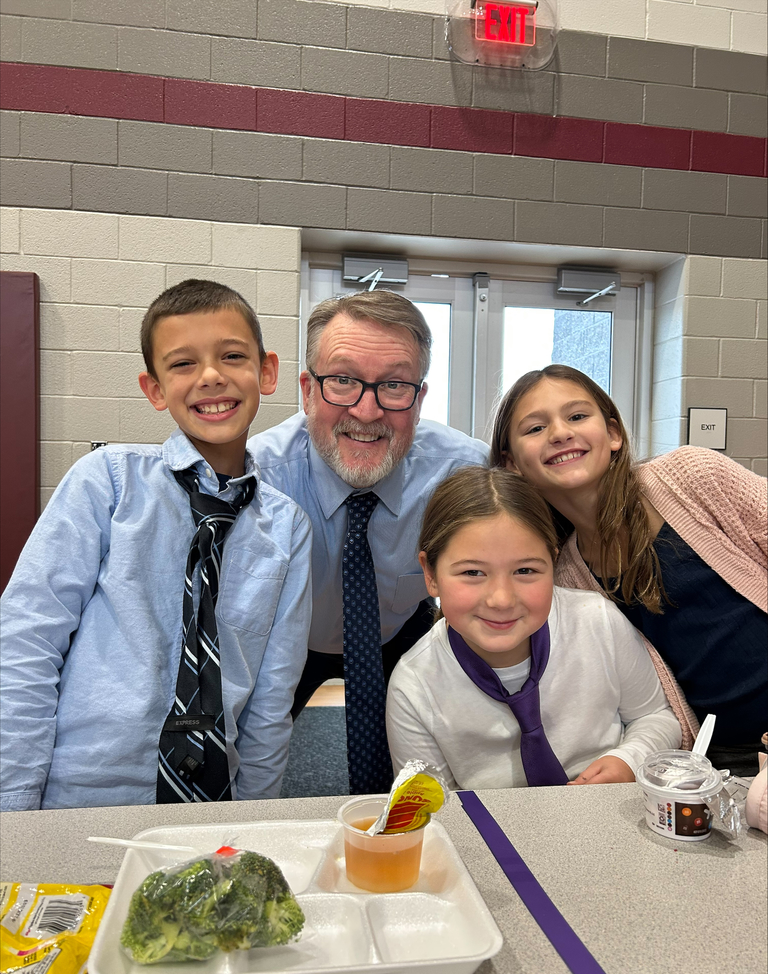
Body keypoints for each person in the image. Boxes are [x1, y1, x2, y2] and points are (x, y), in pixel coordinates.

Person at [0, 279, 312, 810]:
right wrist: (13, 810)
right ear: (154, 388)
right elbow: (27, 643)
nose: (211, 376)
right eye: (183, 364)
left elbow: (270, 702)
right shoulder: (108, 483)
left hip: (212, 798)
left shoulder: (287, 528)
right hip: (80, 790)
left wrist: (256, 819)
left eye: (232, 356)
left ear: (267, 371)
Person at [248, 290, 488, 793]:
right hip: (285, 637)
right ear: (307, 392)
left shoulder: (463, 472)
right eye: (342, 380)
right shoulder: (257, 480)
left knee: (418, 770)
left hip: (397, 628)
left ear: (419, 400)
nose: (367, 409)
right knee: (240, 760)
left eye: (395, 385)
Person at [490, 363, 768, 776]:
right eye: (534, 428)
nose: (560, 432)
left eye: (577, 416)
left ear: (614, 434)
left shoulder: (693, 477)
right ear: (512, 465)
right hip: (723, 764)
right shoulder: (566, 579)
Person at [386, 467, 681, 789]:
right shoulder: (414, 685)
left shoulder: (597, 622)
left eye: (525, 570)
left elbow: (656, 716)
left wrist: (629, 759)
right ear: (431, 575)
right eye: (472, 573)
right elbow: (428, 806)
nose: (501, 599)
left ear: (553, 564)